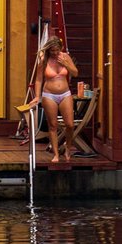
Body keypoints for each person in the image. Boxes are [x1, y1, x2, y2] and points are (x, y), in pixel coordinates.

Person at [28, 38, 82, 166]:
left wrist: (66, 64)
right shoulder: (44, 60)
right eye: (52, 51)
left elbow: (75, 73)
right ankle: (56, 154)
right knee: (53, 125)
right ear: (48, 50)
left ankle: (68, 148)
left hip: (65, 94)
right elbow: (39, 80)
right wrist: (37, 96)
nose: (55, 53)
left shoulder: (65, 57)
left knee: (70, 124)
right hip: (49, 94)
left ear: (60, 48)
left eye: (57, 50)